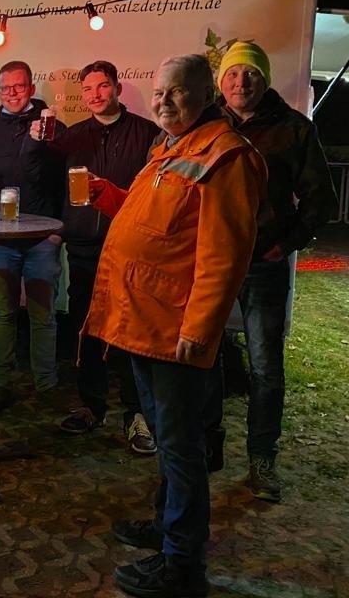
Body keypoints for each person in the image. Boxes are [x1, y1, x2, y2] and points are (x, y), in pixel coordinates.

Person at [83, 54, 267, 597]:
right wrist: (108, 195)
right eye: (159, 92)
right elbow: (153, 225)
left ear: (206, 95)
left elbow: (224, 257)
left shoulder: (226, 157)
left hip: (175, 333)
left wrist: (198, 331)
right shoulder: (171, 148)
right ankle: (167, 525)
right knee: (167, 439)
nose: (164, 101)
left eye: (178, 92)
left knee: (182, 446)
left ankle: (183, 565)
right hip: (145, 323)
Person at [215, 40, 337, 502]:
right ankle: (205, 448)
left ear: (264, 79)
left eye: (250, 73)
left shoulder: (294, 129)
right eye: (232, 73)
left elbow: (320, 198)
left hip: (263, 264)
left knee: (265, 367)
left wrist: (286, 244)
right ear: (220, 81)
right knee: (203, 358)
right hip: (213, 263)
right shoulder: (206, 125)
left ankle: (262, 460)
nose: (240, 81)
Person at [26, 60, 162, 454]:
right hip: (83, 248)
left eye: (102, 86)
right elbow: (41, 179)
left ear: (117, 87)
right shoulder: (72, 136)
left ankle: (136, 414)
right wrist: (35, 143)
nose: (95, 94)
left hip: (129, 247)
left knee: (131, 334)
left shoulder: (146, 133)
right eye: (88, 89)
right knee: (86, 331)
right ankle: (91, 405)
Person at [0, 60, 63, 412]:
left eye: (19, 86)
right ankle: (1, 383)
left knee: (43, 316)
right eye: (5, 87)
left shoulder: (52, 128)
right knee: (1, 314)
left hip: (42, 239)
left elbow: (63, 183)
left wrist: (57, 233)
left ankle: (46, 386)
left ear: (31, 88)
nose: (12, 93)